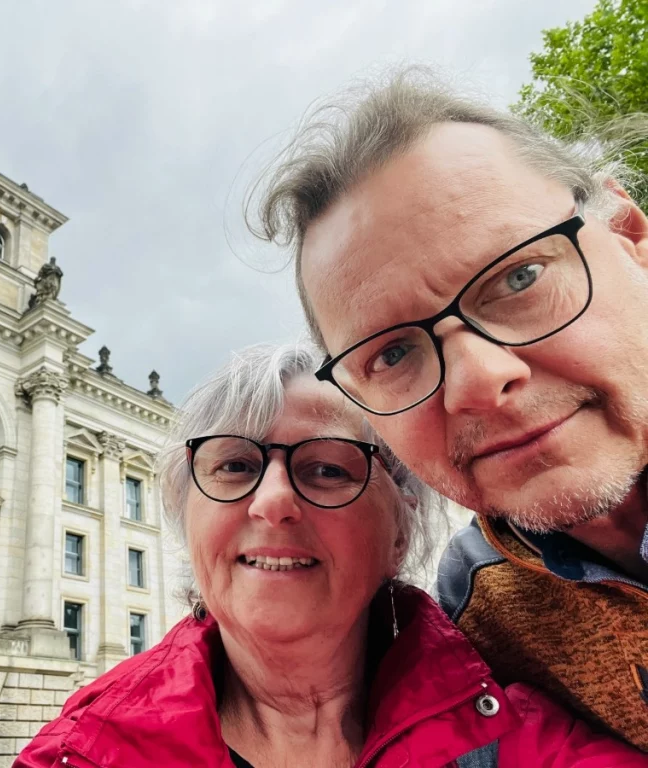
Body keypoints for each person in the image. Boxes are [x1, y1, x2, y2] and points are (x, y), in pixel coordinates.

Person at [251, 68, 648, 749]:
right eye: (392, 354)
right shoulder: (475, 611)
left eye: (520, 277)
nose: (478, 382)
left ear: (630, 235)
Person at [14, 343, 643, 767]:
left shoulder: (516, 739)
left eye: (328, 469)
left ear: (400, 533)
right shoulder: (81, 753)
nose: (272, 503)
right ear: (187, 520)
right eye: (234, 466)